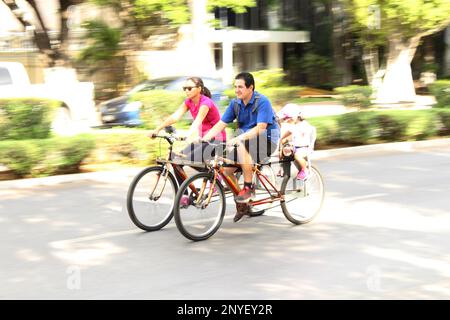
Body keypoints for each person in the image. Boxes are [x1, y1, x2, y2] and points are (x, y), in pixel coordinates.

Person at [201, 72, 280, 222]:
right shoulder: (235, 104)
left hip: (267, 140)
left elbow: (260, 128)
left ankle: (249, 188)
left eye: (240, 87)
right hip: (246, 142)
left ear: (251, 88)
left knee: (242, 144)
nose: (237, 90)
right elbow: (221, 124)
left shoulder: (262, 101)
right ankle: (243, 205)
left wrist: (238, 138)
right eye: (235, 86)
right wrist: (205, 138)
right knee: (226, 171)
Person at [148, 76, 227, 193]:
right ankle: (183, 195)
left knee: (188, 159)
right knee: (176, 161)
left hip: (216, 140)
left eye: (189, 88)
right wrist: (157, 129)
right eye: (184, 88)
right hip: (202, 140)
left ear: (199, 89)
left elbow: (197, 121)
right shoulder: (188, 102)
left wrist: (187, 134)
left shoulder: (206, 102)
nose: (186, 91)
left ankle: (214, 176)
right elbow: (175, 117)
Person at [278, 110, 316, 180]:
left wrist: (283, 138)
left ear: (298, 117)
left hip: (304, 148)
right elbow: (290, 133)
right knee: (283, 152)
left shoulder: (303, 125)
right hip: (297, 147)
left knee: (297, 155)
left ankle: (305, 170)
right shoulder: (296, 126)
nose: (289, 119)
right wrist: (283, 139)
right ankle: (282, 169)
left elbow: (290, 132)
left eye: (292, 118)